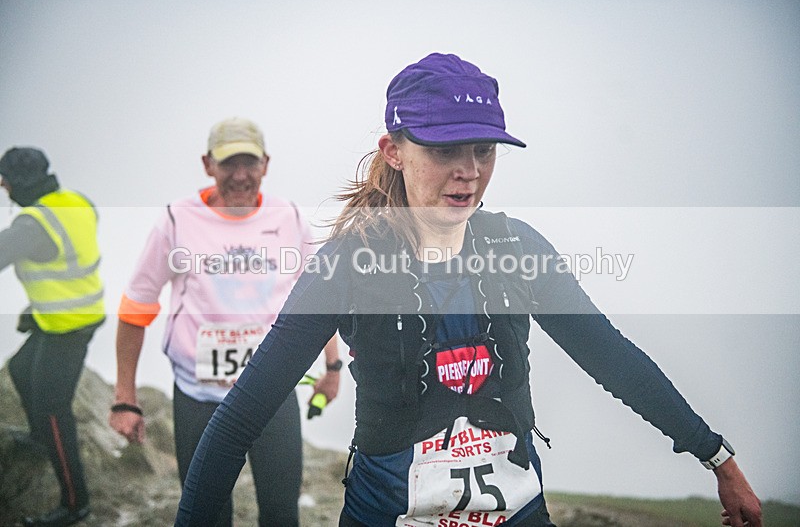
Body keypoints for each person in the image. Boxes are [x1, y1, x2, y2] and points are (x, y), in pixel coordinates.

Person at [174, 55, 762, 527]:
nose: (470, 171)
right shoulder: (348, 264)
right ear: (394, 152)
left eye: (483, 150)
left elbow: (610, 357)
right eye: (444, 149)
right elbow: (241, 417)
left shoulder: (517, 249)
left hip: (517, 510)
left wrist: (717, 457)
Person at [109, 117, 341, 527]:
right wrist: (125, 397)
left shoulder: (287, 217)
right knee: (208, 515)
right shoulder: (176, 220)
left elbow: (317, 299)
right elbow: (136, 309)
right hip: (199, 396)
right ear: (207, 164)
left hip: (271, 390)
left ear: (266, 164)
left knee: (281, 511)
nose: (239, 175)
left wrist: (333, 368)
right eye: (228, 163)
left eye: (249, 163)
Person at [0, 147, 105, 527]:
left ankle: (75, 505)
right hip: (77, 313)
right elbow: (68, 256)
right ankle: (41, 438)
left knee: (54, 408)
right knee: (20, 367)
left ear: (13, 183)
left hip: (66, 327)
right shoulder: (77, 202)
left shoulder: (31, 225)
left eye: (4, 181)